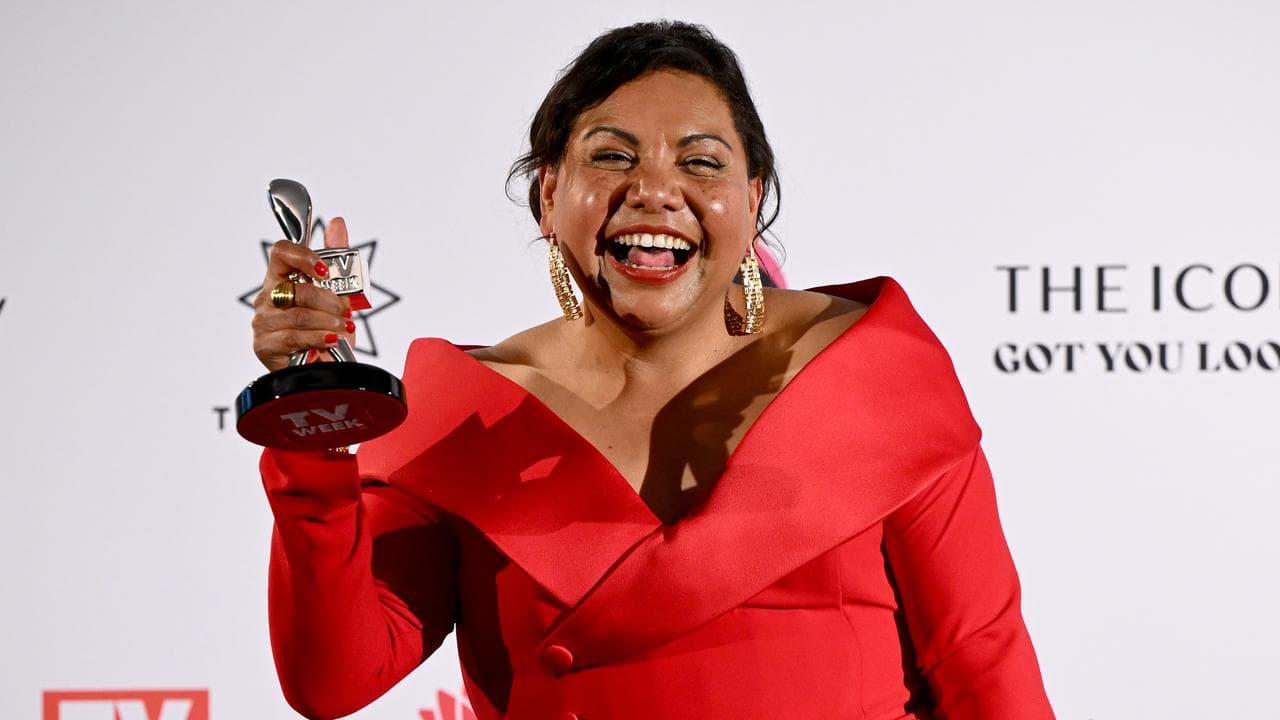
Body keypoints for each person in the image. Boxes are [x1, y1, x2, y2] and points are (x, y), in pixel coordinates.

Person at [250, 20, 1055, 720]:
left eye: (701, 163)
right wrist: (313, 427)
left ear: (752, 196)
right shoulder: (464, 417)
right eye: (611, 156)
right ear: (548, 196)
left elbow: (986, 673)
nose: (655, 191)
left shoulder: (871, 375)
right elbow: (333, 682)